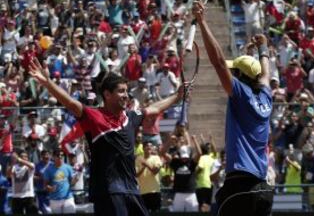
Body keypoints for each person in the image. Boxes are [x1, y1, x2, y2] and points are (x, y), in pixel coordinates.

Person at [28, 58, 186, 215]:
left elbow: (153, 109)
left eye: (126, 91)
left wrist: (176, 97)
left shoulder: (130, 117)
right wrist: (48, 83)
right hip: (108, 191)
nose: (126, 95)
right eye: (121, 91)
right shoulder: (94, 116)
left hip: (132, 189)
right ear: (107, 94)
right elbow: (70, 103)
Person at [192, 0, 273, 216]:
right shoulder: (265, 96)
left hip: (239, 187)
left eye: (234, 72)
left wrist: (202, 22)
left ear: (239, 77)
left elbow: (218, 62)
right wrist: (262, 48)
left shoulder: (241, 95)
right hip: (263, 189)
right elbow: (264, 73)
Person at [43, 149, 77, 214]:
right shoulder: (48, 170)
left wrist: (75, 180)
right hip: (54, 200)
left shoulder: (68, 167)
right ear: (53, 157)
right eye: (58, 155)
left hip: (68, 198)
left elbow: (72, 184)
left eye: (62, 155)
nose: (60, 157)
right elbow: (45, 185)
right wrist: (50, 188)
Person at [7, 150, 38, 215]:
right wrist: (13, 162)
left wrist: (19, 159)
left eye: (25, 156)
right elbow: (8, 174)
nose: (23, 158)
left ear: (27, 158)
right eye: (22, 156)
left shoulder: (30, 165)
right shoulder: (14, 167)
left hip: (29, 196)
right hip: (16, 197)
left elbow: (32, 167)